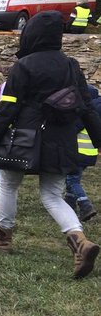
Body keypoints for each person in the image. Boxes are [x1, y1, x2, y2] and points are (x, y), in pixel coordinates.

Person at [0, 10, 101, 279]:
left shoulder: (24, 66)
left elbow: (6, 110)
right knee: (52, 195)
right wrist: (98, 139)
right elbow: (87, 108)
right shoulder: (71, 66)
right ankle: (79, 241)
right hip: (62, 138)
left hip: (26, 138)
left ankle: (2, 239)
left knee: (9, 185)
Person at [65, 84, 101, 221]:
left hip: (78, 152)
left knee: (72, 180)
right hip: (90, 153)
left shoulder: (84, 114)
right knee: (74, 178)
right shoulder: (96, 113)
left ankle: (85, 205)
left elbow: (73, 129)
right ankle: (69, 203)